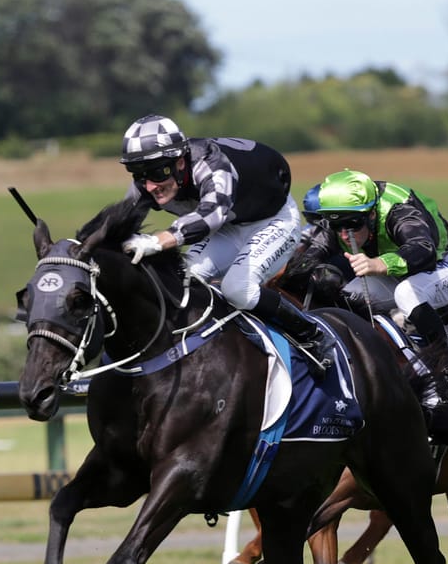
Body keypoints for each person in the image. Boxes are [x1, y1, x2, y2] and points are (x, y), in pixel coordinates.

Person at [116, 113, 332, 371]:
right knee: (184, 278)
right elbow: (119, 223)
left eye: (156, 171)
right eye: (138, 174)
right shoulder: (148, 182)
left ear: (180, 162)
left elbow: (213, 214)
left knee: (237, 289)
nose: (149, 185)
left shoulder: (210, 163)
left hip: (272, 220)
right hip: (230, 226)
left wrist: (156, 241)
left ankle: (313, 335)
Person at [295, 168, 448, 405]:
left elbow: (423, 249)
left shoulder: (399, 210)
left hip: (442, 265)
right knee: (349, 296)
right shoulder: (342, 215)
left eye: (353, 225)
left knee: (407, 293)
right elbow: (310, 256)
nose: (345, 235)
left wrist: (378, 263)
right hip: (394, 270)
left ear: (371, 214)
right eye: (337, 226)